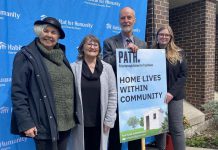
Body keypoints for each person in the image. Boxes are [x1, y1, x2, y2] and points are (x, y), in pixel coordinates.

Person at [10, 17, 79, 150]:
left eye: (53, 32)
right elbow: (18, 93)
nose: (49, 35)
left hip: (66, 123)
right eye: (45, 31)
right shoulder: (25, 56)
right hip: (44, 125)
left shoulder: (61, 55)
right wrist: (26, 123)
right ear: (39, 32)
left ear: (58, 36)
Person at [103, 6, 147, 150]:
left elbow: (147, 71)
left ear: (134, 20)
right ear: (119, 21)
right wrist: (123, 53)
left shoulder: (143, 44)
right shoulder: (109, 42)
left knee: (135, 139)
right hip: (116, 99)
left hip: (135, 99)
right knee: (115, 140)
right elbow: (106, 65)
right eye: (123, 18)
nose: (126, 20)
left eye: (129, 17)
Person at [70, 35, 117, 150]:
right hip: (80, 122)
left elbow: (113, 94)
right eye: (89, 44)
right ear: (82, 48)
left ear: (99, 49)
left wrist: (109, 119)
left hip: (101, 121)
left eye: (95, 45)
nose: (93, 47)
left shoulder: (107, 68)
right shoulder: (73, 68)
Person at [153, 25, 187, 150]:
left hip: (174, 97)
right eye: (161, 34)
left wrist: (171, 93)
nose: (164, 37)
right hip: (156, 97)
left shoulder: (179, 53)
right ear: (157, 37)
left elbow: (183, 75)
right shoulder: (150, 52)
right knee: (159, 128)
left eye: (167, 35)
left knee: (176, 129)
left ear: (170, 37)